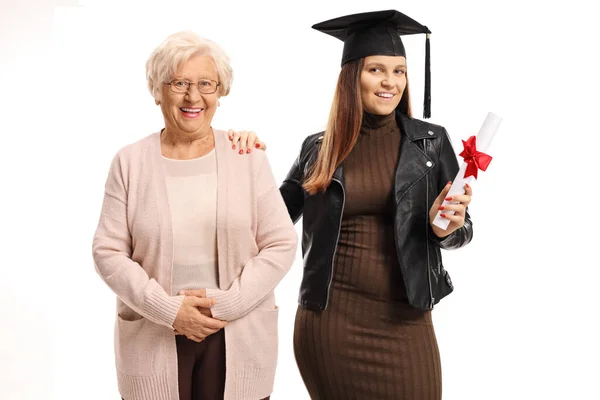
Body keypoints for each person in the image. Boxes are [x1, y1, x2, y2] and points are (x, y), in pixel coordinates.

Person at [229, 10, 474, 400]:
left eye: (399, 71)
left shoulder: (430, 143)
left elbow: (462, 229)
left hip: (408, 319)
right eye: (377, 70)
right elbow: (266, 221)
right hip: (330, 324)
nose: (390, 82)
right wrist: (244, 160)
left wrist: (445, 229)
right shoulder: (319, 148)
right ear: (352, 76)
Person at [92, 31, 297, 400]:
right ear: (157, 90)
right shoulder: (130, 162)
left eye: (206, 83)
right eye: (179, 83)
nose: (193, 96)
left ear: (221, 91)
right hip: (153, 334)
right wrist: (169, 310)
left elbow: (281, 244)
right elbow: (107, 252)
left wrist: (228, 303)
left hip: (240, 330)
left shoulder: (246, 156)